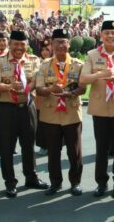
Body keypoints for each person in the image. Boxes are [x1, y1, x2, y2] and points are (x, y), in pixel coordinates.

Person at [79, 20, 114, 198]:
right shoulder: (92, 55)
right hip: (100, 107)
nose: (110, 36)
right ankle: (101, 183)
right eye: (107, 33)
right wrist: (100, 74)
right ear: (101, 35)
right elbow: (83, 79)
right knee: (101, 147)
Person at [0, 30, 48, 198]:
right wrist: (9, 87)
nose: (19, 47)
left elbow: (38, 79)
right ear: (10, 44)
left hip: (27, 107)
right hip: (6, 108)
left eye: (22, 44)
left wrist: (27, 88)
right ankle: (10, 182)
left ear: (27, 45)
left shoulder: (34, 60)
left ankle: (31, 178)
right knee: (6, 147)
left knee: (28, 145)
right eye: (15, 44)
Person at [34, 29, 86, 196]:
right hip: (51, 114)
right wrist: (51, 89)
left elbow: (83, 88)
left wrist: (71, 93)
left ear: (69, 44)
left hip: (71, 112)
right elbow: (39, 89)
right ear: (52, 44)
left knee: (74, 151)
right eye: (57, 42)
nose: (61, 45)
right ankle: (55, 183)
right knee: (53, 152)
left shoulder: (78, 64)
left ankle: (75, 182)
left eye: (64, 42)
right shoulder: (44, 65)